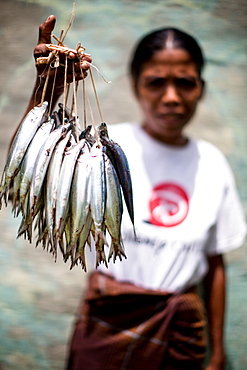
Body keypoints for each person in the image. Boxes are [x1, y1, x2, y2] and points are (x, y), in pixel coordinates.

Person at [20, 15, 246, 370]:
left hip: (180, 333)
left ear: (200, 87)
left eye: (184, 83)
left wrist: (217, 353)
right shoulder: (101, 149)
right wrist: (48, 90)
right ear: (137, 86)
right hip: (107, 324)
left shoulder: (213, 163)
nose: (171, 97)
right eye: (156, 82)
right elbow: (36, 157)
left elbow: (214, 264)